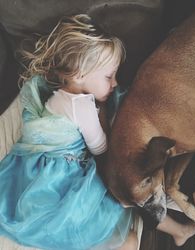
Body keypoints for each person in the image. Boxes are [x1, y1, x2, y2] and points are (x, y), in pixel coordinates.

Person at [0, 14, 137, 250]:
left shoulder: (54, 95)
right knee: (121, 228)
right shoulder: (81, 107)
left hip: (32, 174)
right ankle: (176, 231)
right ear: (80, 74)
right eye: (108, 76)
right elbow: (100, 147)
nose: (114, 83)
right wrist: (104, 112)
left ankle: (177, 231)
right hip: (60, 180)